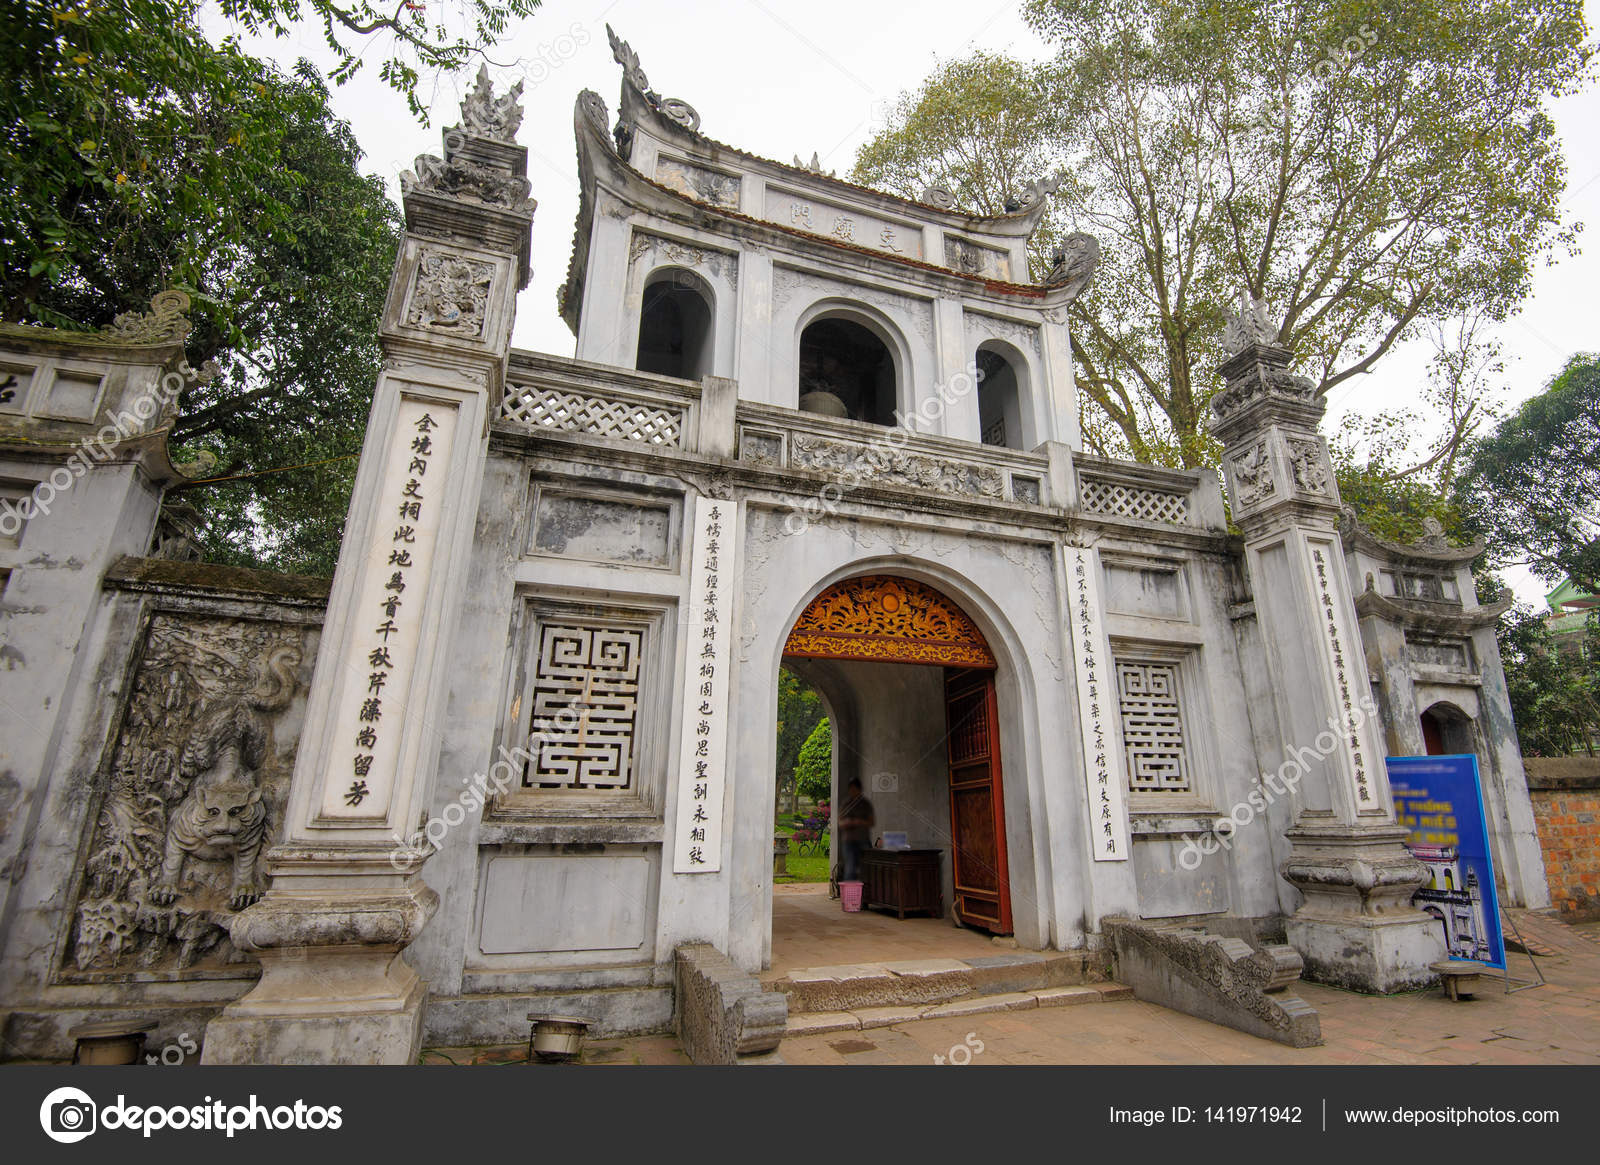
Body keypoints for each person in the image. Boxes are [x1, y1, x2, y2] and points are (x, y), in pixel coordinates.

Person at [837, 778, 875, 884]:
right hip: (849, 841)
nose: (853, 792)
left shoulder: (865, 804)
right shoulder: (846, 803)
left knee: (865, 868)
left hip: (863, 839)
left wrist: (859, 822)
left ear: (860, 789)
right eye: (851, 789)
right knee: (850, 868)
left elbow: (872, 822)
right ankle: (850, 895)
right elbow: (839, 822)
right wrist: (848, 822)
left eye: (855, 789)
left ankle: (865, 894)